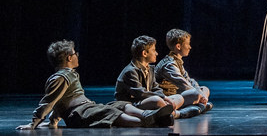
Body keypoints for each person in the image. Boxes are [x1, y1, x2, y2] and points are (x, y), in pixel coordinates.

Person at [18, 40, 174, 130]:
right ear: (68, 58)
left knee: (117, 104)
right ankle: (148, 120)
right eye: (75, 53)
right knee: (109, 112)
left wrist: (53, 121)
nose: (77, 55)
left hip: (86, 108)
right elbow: (50, 101)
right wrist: (34, 123)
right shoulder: (60, 78)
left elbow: (61, 101)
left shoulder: (70, 74)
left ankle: (146, 115)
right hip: (79, 114)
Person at [114, 36, 187, 116]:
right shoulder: (130, 71)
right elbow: (141, 93)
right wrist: (163, 98)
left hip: (146, 100)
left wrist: (163, 97)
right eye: (154, 50)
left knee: (179, 97)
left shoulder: (149, 69)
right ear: (144, 53)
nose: (156, 53)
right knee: (157, 100)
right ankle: (174, 114)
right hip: (132, 104)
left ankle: (164, 111)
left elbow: (155, 87)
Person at [155, 28, 212, 115]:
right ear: (178, 46)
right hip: (170, 97)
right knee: (195, 94)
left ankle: (199, 104)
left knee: (204, 89)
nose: (190, 47)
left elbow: (188, 80)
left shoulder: (177, 61)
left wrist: (201, 93)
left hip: (178, 93)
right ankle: (192, 107)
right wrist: (200, 95)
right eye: (188, 44)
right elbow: (183, 84)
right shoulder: (169, 64)